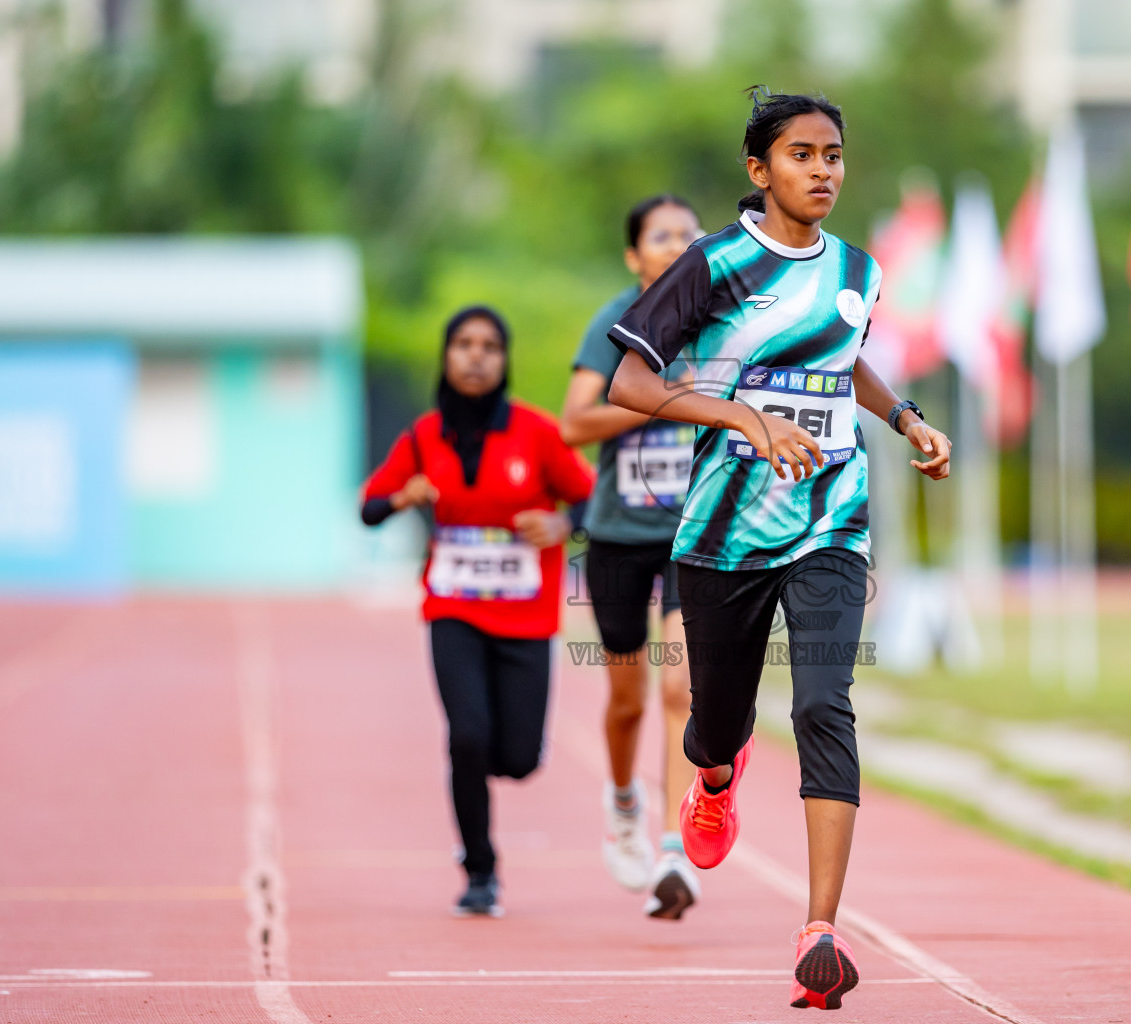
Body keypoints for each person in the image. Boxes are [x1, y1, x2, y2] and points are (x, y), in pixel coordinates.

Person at [605, 89, 951, 1009]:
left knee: (823, 705)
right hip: (721, 535)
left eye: (833, 154)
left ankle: (820, 931)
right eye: (802, 155)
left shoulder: (859, 270)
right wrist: (737, 417)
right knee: (718, 722)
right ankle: (713, 777)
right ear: (760, 170)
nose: (823, 171)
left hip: (830, 522)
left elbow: (846, 360)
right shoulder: (712, 266)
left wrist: (907, 417)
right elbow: (632, 382)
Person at [360, 305, 595, 918]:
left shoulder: (537, 433)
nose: (475, 355)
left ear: (504, 359)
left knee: (514, 760)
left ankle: (511, 749)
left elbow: (595, 502)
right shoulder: (422, 436)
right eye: (463, 343)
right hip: (452, 611)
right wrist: (399, 497)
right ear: (446, 355)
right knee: (466, 738)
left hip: (527, 619)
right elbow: (369, 505)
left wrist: (562, 522)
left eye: (489, 345)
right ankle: (479, 869)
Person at [559, 195, 706, 919]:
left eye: (688, 232)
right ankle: (623, 805)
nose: (677, 242)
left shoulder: (719, 318)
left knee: (681, 688)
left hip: (695, 533)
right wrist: (663, 400)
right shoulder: (616, 321)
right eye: (661, 235)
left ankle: (675, 847)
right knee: (628, 699)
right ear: (634, 255)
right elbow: (574, 422)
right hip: (619, 532)